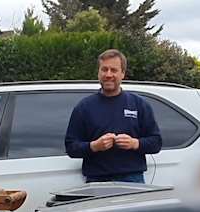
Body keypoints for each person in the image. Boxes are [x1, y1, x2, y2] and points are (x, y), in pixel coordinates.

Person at [65, 49, 162, 183]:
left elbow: (156, 143)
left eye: (114, 70)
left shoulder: (139, 105)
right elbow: (71, 147)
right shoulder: (84, 107)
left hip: (132, 179)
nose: (108, 74)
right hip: (96, 181)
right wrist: (94, 146)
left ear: (122, 74)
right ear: (98, 73)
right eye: (104, 69)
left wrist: (135, 143)